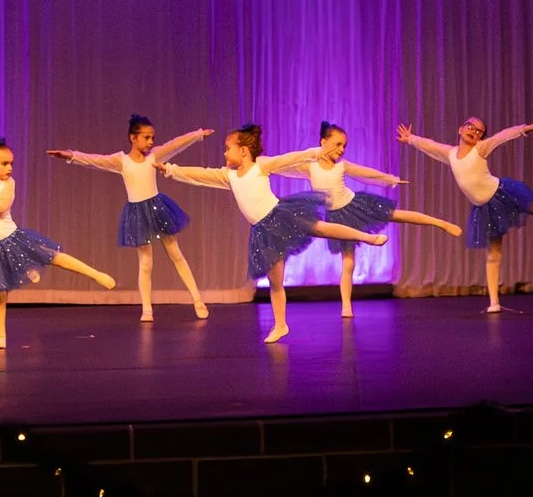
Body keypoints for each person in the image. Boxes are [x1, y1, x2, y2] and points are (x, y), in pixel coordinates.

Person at [160, 124, 387, 342]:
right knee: (275, 282)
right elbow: (201, 175)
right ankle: (280, 325)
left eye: (228, 148)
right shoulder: (229, 175)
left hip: (280, 216)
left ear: (243, 150)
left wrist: (316, 152)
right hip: (263, 232)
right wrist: (171, 170)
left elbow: (289, 158)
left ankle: (366, 237)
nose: (224, 153)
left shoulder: (261, 165)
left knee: (319, 228)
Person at [396, 113, 533, 312]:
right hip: (485, 208)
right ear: (460, 129)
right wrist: (411, 139)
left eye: (479, 131)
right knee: (494, 253)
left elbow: (502, 136)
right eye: (470, 126)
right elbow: (431, 146)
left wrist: (525, 128)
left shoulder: (481, 148)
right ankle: (494, 302)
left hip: (503, 194)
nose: (474, 131)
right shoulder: (450, 153)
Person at [269, 121, 462, 316]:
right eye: (338, 144)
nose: (342, 149)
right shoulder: (310, 167)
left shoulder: (342, 166)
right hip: (337, 217)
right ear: (323, 142)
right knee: (348, 262)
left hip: (356, 205)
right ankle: (346, 306)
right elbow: (285, 165)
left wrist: (390, 179)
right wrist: (265, 167)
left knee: (396, 215)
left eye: (344, 145)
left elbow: (367, 174)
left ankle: (441, 223)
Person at [0, 134, 117, 349]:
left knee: (52, 256)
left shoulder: (8, 184)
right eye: (5, 163)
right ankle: (0, 336)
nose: (10, 168)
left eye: (11, 163)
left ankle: (95, 274)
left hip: (13, 239)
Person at [46, 115, 214, 322]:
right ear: (133, 138)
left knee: (176, 254)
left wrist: (198, 135)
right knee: (146, 263)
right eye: (146, 137)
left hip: (157, 208)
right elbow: (95, 160)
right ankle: (147, 309)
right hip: (138, 213)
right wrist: (70, 155)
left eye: (152, 137)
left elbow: (175, 144)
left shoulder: (154, 156)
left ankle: (198, 300)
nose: (151, 141)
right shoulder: (121, 161)